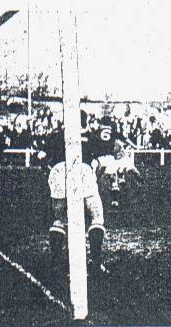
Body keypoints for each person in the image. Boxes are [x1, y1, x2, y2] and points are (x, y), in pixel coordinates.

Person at [35, 110, 107, 278]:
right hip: (84, 170)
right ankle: (95, 263)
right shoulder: (92, 137)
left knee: (59, 219)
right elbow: (101, 164)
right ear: (85, 121)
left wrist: (50, 173)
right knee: (96, 216)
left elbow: (40, 157)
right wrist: (93, 178)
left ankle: (56, 264)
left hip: (59, 170)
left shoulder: (57, 135)